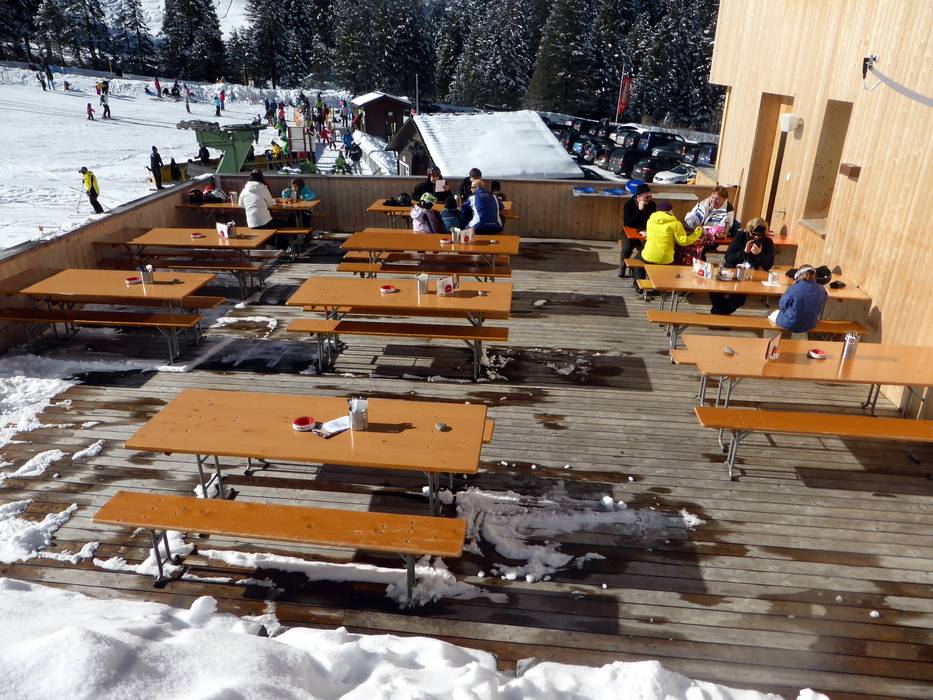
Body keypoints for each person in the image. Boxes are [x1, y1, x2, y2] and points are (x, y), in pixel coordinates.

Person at [709, 217, 775, 315]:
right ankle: (722, 314)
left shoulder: (767, 242)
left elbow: (768, 265)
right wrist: (744, 252)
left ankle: (719, 314)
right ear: (749, 231)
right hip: (731, 271)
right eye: (754, 234)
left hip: (748, 277)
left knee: (739, 299)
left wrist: (759, 254)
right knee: (714, 291)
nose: (756, 237)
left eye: (760, 235)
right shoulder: (741, 236)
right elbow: (728, 258)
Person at [631, 201, 700, 289]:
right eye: (672, 210)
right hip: (665, 259)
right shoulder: (676, 223)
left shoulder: (650, 220)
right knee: (676, 259)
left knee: (638, 259)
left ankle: (638, 286)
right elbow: (683, 241)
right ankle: (659, 287)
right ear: (669, 211)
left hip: (648, 256)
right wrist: (697, 233)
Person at [769, 265, 828, 334]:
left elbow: (782, 305)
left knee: (771, 314)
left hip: (790, 324)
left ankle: (775, 336)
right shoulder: (821, 289)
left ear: (798, 276)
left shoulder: (794, 288)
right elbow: (824, 299)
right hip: (810, 324)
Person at [619, 183, 656, 276]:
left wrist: (647, 231)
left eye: (650, 196)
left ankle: (634, 267)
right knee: (627, 248)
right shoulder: (628, 204)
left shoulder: (652, 205)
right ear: (638, 197)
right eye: (646, 197)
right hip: (629, 231)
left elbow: (651, 220)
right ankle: (622, 268)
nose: (649, 199)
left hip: (644, 231)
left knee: (646, 249)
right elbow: (628, 224)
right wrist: (639, 210)